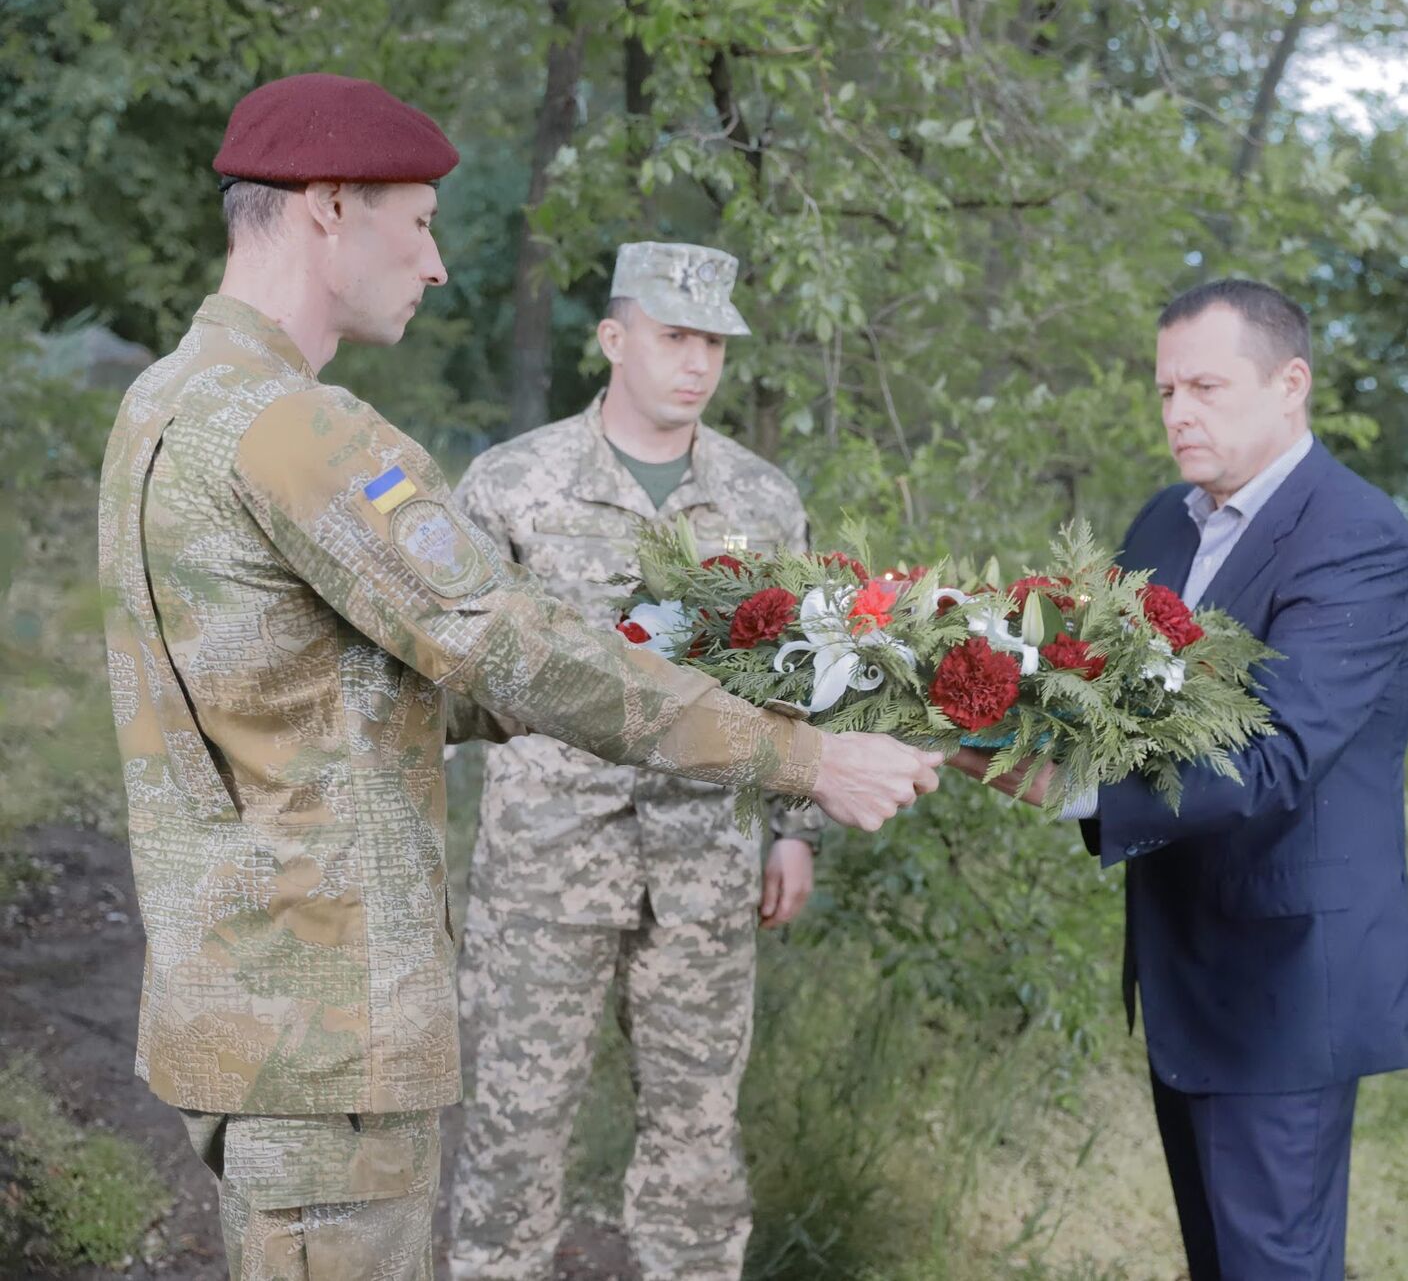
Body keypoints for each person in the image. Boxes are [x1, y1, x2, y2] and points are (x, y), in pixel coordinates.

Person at [96, 72, 940, 1281]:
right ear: (329, 207)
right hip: (327, 1013)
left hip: (245, 992)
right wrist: (802, 756)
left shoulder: (164, 403)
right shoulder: (299, 431)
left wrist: (664, 661)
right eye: (422, 222)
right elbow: (514, 649)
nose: (436, 263)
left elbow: (333, 688)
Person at [960, 279, 1408, 1280]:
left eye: (1206, 386)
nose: (1178, 412)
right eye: (1165, 388)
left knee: (1272, 1267)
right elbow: (1099, 692)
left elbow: (1279, 757)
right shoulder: (1161, 527)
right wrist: (965, 698)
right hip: (1183, 961)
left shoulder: (1355, 537)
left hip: (1287, 980)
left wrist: (1075, 792)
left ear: (1288, 384)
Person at [446, 242, 821, 1280]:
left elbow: (793, 674)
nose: (695, 362)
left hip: (706, 858)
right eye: (672, 336)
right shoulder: (512, 483)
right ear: (613, 339)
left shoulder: (762, 500)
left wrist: (794, 830)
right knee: (513, 1135)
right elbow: (455, 665)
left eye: (712, 341)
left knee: (697, 1145)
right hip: (543, 863)